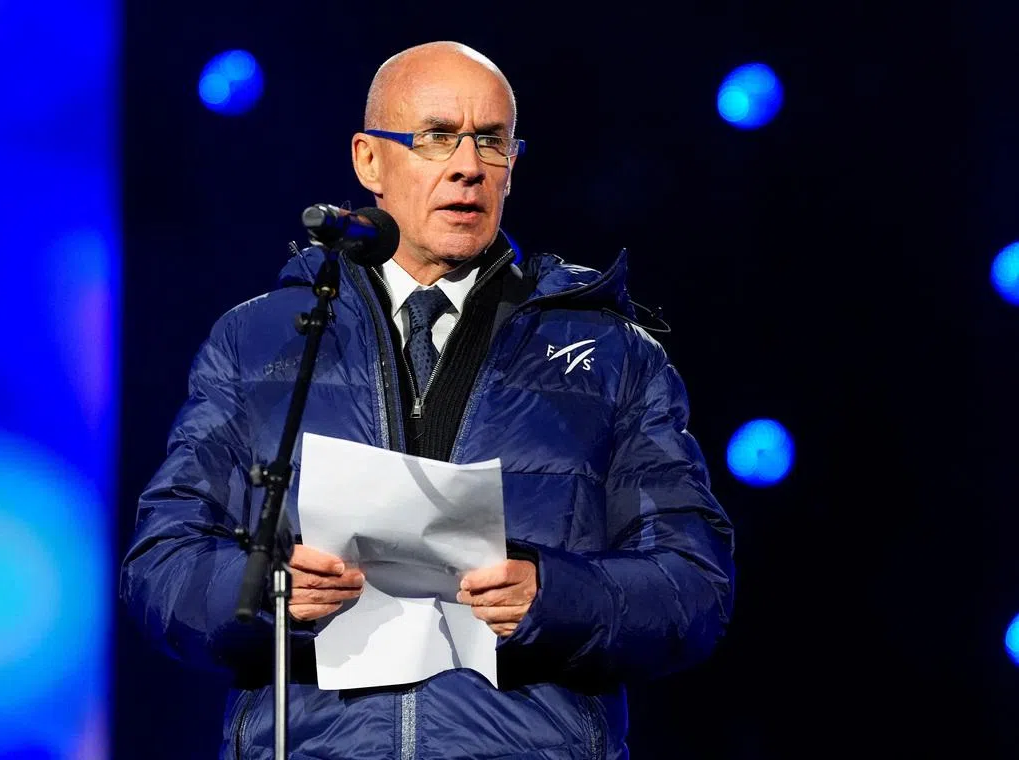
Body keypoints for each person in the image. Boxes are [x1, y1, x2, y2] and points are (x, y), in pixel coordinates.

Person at [119, 40, 735, 760]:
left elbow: (694, 587)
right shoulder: (258, 340)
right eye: (437, 137)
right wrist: (274, 593)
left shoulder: (613, 356)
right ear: (368, 161)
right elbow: (160, 569)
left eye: (492, 142)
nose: (468, 165)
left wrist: (553, 596)